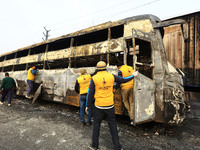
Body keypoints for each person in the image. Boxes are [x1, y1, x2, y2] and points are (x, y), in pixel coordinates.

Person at [86, 61, 138, 150]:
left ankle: (94, 146)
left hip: (99, 106)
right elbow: (123, 80)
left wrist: (88, 106)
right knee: (113, 127)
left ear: (97, 69)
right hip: (110, 106)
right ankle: (117, 147)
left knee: (96, 127)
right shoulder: (111, 76)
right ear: (105, 67)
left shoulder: (94, 78)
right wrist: (133, 75)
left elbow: (90, 93)